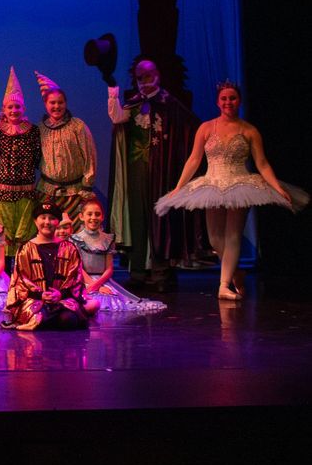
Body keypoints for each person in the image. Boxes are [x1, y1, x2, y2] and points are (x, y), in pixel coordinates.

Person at [155, 81, 307, 300]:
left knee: (233, 235)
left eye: (232, 98)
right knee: (215, 239)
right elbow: (194, 160)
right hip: (212, 185)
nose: (228, 102)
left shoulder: (249, 130)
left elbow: (262, 163)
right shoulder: (206, 128)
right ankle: (236, 272)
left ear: (239, 101)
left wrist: (276, 187)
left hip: (240, 185)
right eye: (224, 98)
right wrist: (179, 187)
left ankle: (223, 285)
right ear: (218, 102)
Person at [107, 57, 201, 287]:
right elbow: (117, 117)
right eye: (139, 77)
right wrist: (112, 91)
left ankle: (161, 273)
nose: (144, 81)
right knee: (137, 218)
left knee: (161, 219)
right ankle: (138, 272)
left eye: (147, 75)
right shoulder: (133, 103)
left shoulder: (169, 103)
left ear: (157, 75)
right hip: (136, 171)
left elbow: (191, 128)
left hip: (163, 172)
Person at [6, 201, 96, 330]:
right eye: (43, 218)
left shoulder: (70, 248)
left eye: (52, 218)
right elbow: (21, 280)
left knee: (68, 320)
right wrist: (40, 295)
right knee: (40, 318)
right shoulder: (26, 249)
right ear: (35, 221)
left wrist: (60, 294)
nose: (47, 222)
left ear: (58, 222)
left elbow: (75, 279)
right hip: (34, 300)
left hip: (63, 300)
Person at [70, 198, 166, 313]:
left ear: (102, 217)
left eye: (97, 214)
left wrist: (99, 285)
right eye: (89, 214)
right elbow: (78, 268)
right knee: (89, 301)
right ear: (81, 217)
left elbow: (109, 269)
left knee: (110, 300)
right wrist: (94, 286)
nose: (93, 217)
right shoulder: (76, 239)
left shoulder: (107, 239)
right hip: (83, 280)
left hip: (103, 280)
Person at [34, 72, 97, 222]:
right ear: (45, 104)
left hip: (74, 193)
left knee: (72, 230)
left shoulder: (77, 126)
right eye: (52, 103)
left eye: (60, 102)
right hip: (47, 191)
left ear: (66, 103)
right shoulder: (40, 129)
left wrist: (87, 185)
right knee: (49, 229)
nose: (57, 106)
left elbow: (90, 156)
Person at [0, 67, 42, 254]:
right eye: (10, 107)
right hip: (2, 189)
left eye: (17, 106)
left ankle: (23, 265)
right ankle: (4, 266)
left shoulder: (33, 131)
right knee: (4, 233)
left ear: (24, 108)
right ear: (3, 109)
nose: (14, 110)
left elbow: (37, 156)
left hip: (25, 189)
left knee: (24, 232)